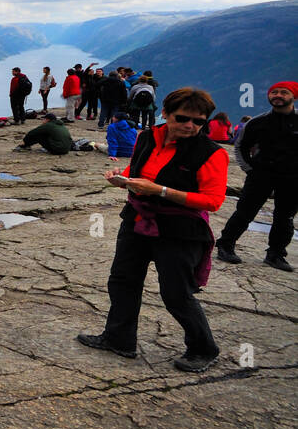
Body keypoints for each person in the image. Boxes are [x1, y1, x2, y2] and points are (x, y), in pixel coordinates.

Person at [77, 88, 228, 372]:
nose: (190, 126)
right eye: (183, 118)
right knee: (122, 280)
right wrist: (123, 180)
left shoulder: (211, 153)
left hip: (181, 230)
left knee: (176, 293)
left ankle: (203, 348)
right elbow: (138, 171)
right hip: (137, 218)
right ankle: (119, 338)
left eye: (199, 122)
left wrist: (160, 190)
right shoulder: (147, 137)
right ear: (166, 114)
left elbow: (213, 201)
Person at [217, 81, 297, 272]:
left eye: (283, 93)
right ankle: (226, 245)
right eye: (274, 92)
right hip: (261, 174)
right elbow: (241, 146)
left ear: (293, 96)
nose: (277, 95)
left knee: (284, 217)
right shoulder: (257, 122)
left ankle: (276, 254)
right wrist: (249, 169)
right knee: (245, 211)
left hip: (292, 178)